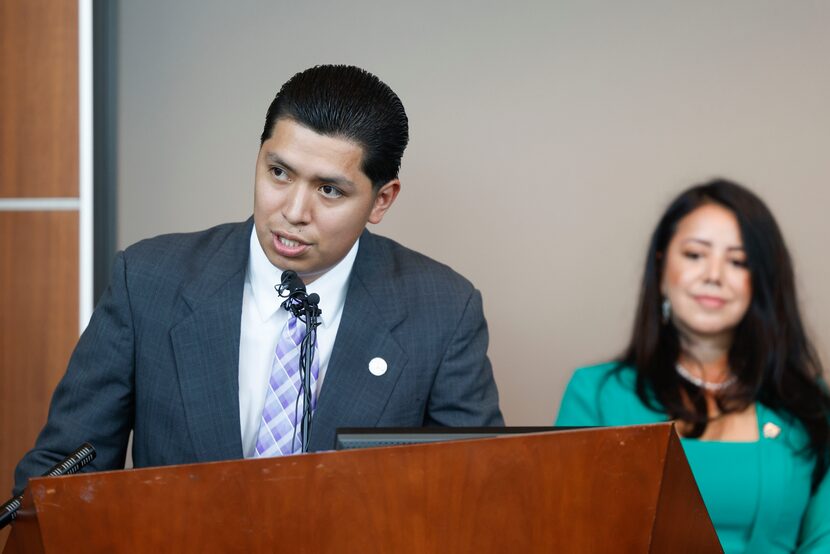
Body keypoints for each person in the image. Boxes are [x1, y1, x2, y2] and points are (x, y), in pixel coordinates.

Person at [13, 65, 503, 494]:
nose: (292, 211)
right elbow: (62, 478)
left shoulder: (442, 310)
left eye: (329, 190)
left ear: (381, 200)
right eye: (279, 173)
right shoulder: (147, 281)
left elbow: (472, 497)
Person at [556, 179, 829, 553]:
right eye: (695, 254)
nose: (713, 275)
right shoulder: (596, 395)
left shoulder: (809, 405)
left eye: (738, 261)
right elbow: (568, 535)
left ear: (761, 283)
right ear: (661, 266)